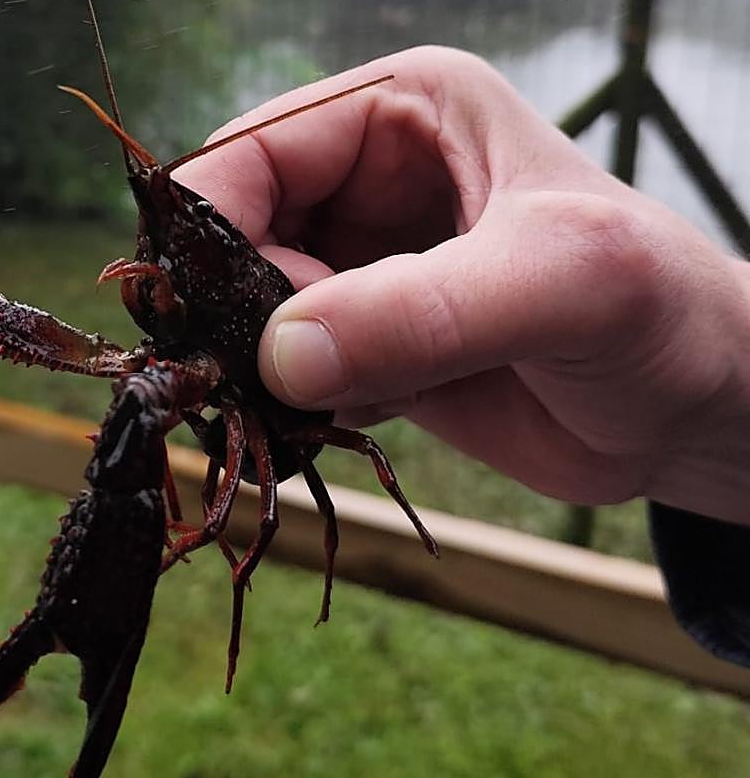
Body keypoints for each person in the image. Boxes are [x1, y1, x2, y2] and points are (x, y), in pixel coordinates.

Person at [172, 45, 750, 664]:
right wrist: (708, 430)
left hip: (281, 437)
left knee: (315, 478)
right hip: (241, 417)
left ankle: (217, 565)